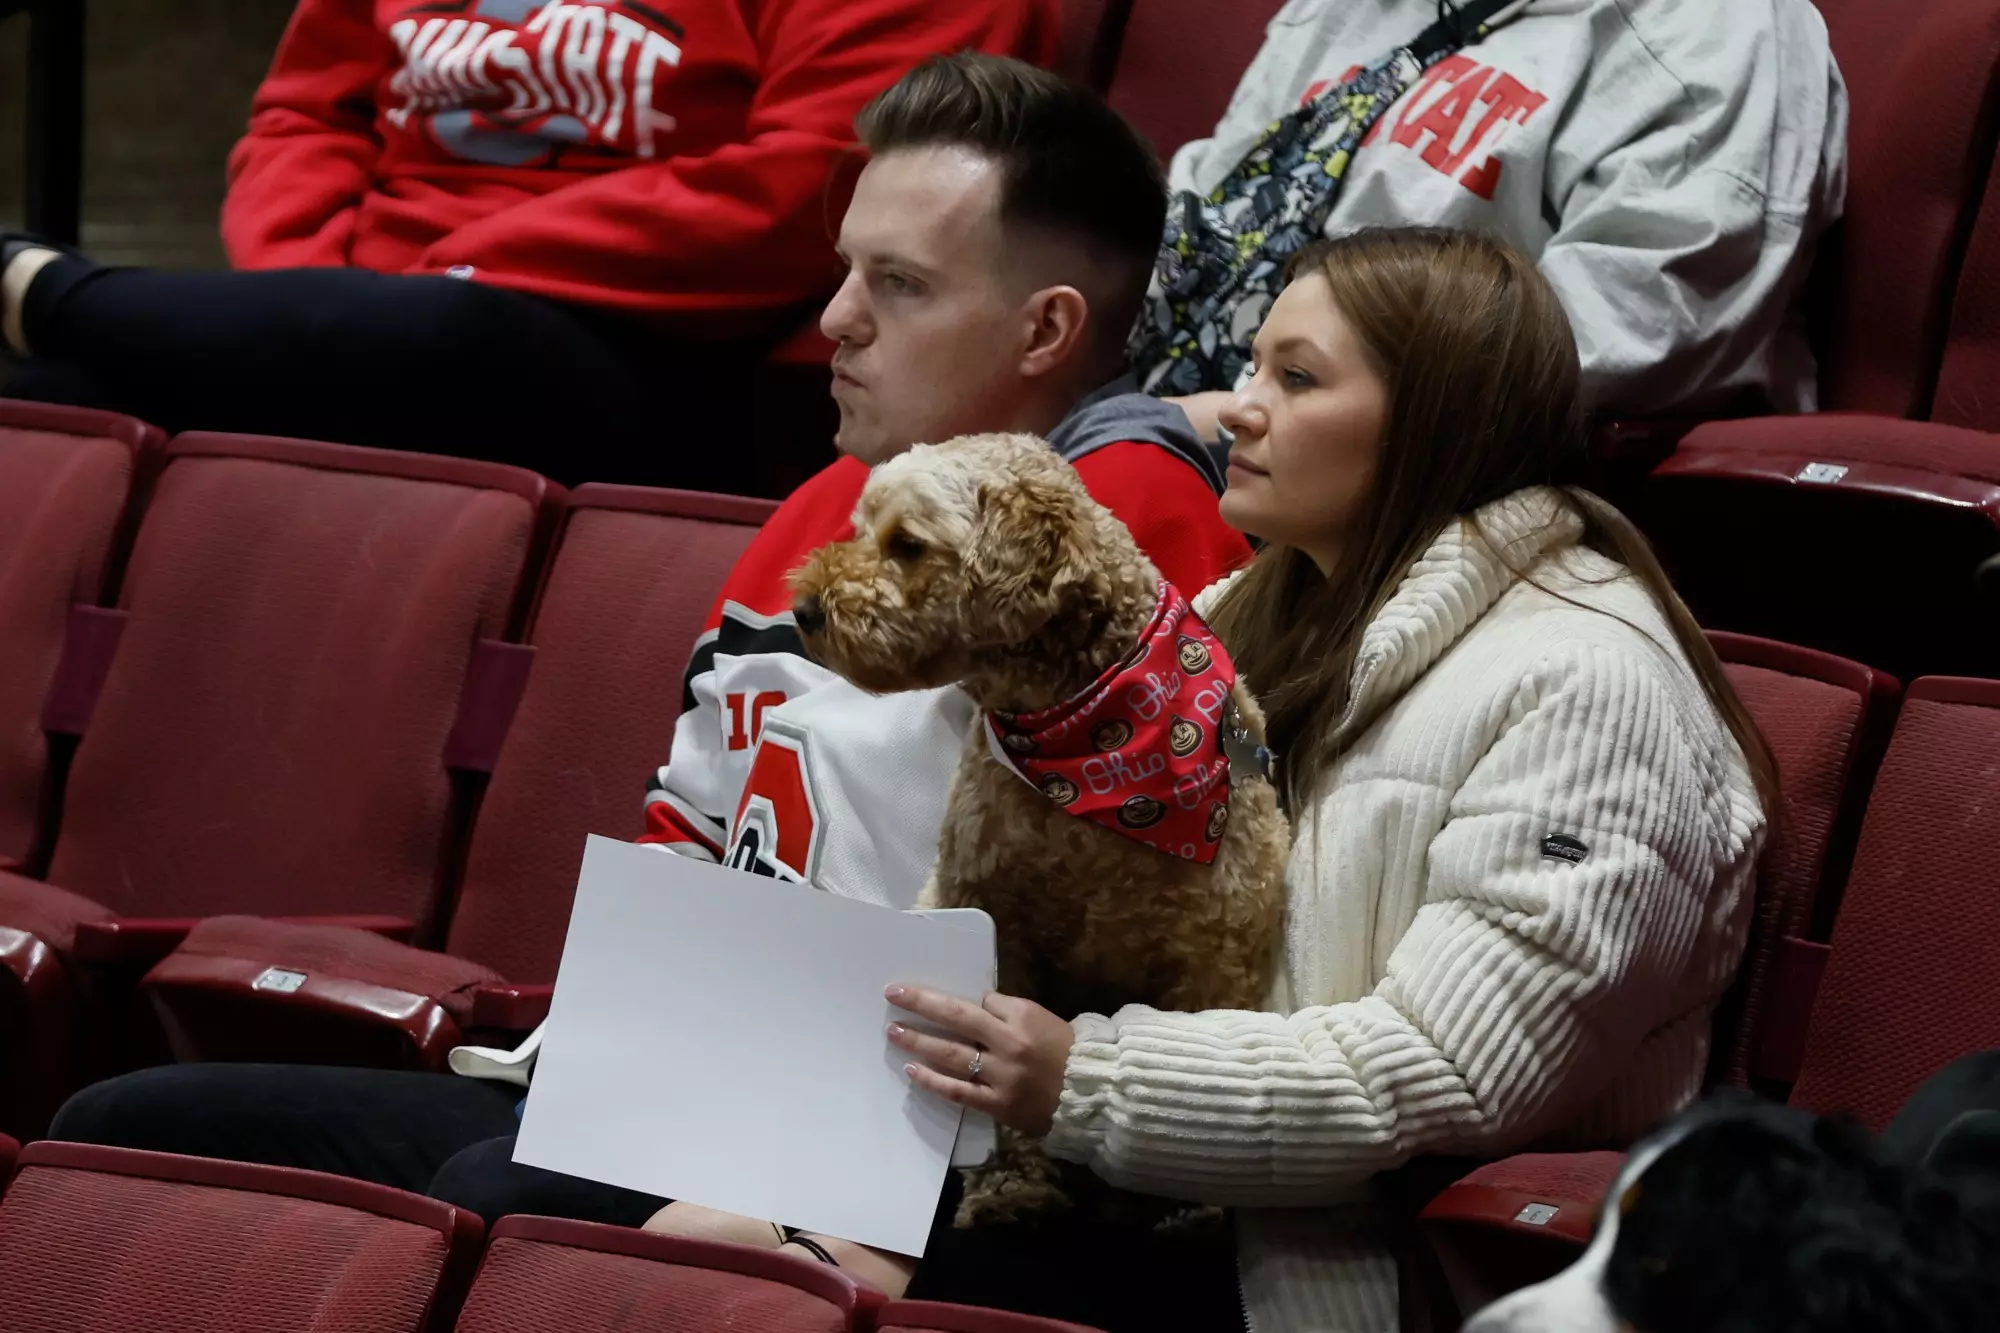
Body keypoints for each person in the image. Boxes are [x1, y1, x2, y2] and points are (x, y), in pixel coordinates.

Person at [49, 50, 1252, 1241]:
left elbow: (1118, 940)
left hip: (906, 1142)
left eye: (899, 284)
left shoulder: (1120, 526)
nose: (836, 319)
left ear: (1045, 329)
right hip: (698, 1086)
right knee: (133, 1124)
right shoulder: (819, 505)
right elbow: (693, 823)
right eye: (846, 270)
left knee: (493, 1205)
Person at [642, 227, 1779, 1330]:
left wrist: (1077, 1078)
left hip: (1308, 1263)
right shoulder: (1235, 617)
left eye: (1296, 377)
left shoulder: (1591, 685)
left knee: (713, 1269)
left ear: (1439, 419)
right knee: (614, 1189)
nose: (1238, 406)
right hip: (1097, 1169)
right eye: (1251, 366)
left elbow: (1451, 1069)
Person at [0, 0, 1054, 492]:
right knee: (55, 403)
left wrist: (430, 286)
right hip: (373, 314)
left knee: (447, 338)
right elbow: (309, 115)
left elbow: (814, 183)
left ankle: (41, 287)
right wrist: (308, 299)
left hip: (678, 352)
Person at [1141, 0, 1845, 438]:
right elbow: (1213, 204)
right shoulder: (1342, 9)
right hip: (1183, 404)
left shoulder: (1722, 28)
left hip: (1412, 476)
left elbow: (1619, 333)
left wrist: (1255, 411)